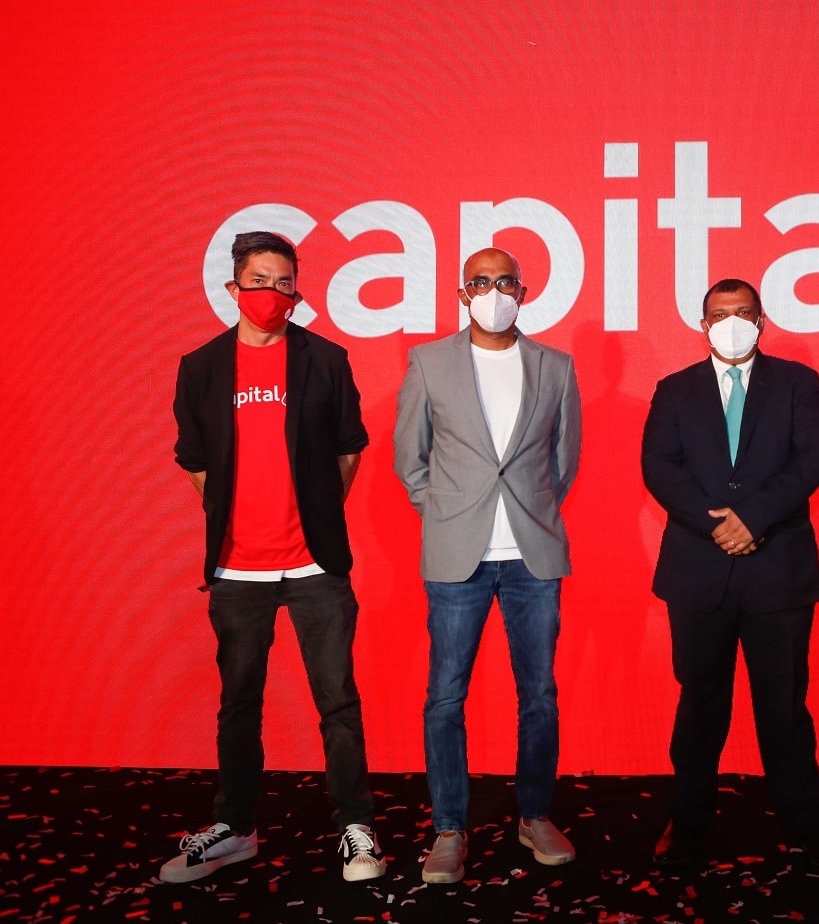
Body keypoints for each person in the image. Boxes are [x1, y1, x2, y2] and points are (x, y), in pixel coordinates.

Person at [166, 232, 385, 884]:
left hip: (315, 565)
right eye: (260, 281)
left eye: (284, 283)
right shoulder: (201, 367)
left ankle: (356, 827)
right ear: (233, 288)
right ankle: (236, 828)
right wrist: (232, 516)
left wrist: (315, 515)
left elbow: (349, 448)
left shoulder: (326, 359)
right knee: (238, 703)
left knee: (338, 702)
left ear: (296, 290)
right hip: (238, 570)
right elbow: (194, 460)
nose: (272, 294)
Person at [641, 278, 819, 872]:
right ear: (702, 324)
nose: (731, 323)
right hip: (698, 571)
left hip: (777, 569)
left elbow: (812, 459)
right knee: (700, 704)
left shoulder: (797, 383)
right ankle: (687, 823)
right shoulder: (675, 389)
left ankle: (807, 823)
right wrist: (718, 527)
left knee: (784, 705)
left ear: (762, 320)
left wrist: (752, 518)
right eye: (719, 314)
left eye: (743, 313)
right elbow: (659, 466)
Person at [393, 247, 582, 882]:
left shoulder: (556, 366)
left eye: (505, 282)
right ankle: (449, 827)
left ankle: (535, 815)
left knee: (540, 696)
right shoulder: (429, 362)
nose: (493, 292)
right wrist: (444, 513)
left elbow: (563, 461)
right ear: (462, 293)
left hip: (534, 558)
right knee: (445, 697)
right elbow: (409, 457)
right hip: (458, 559)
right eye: (480, 281)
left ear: (522, 292)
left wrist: (532, 510)